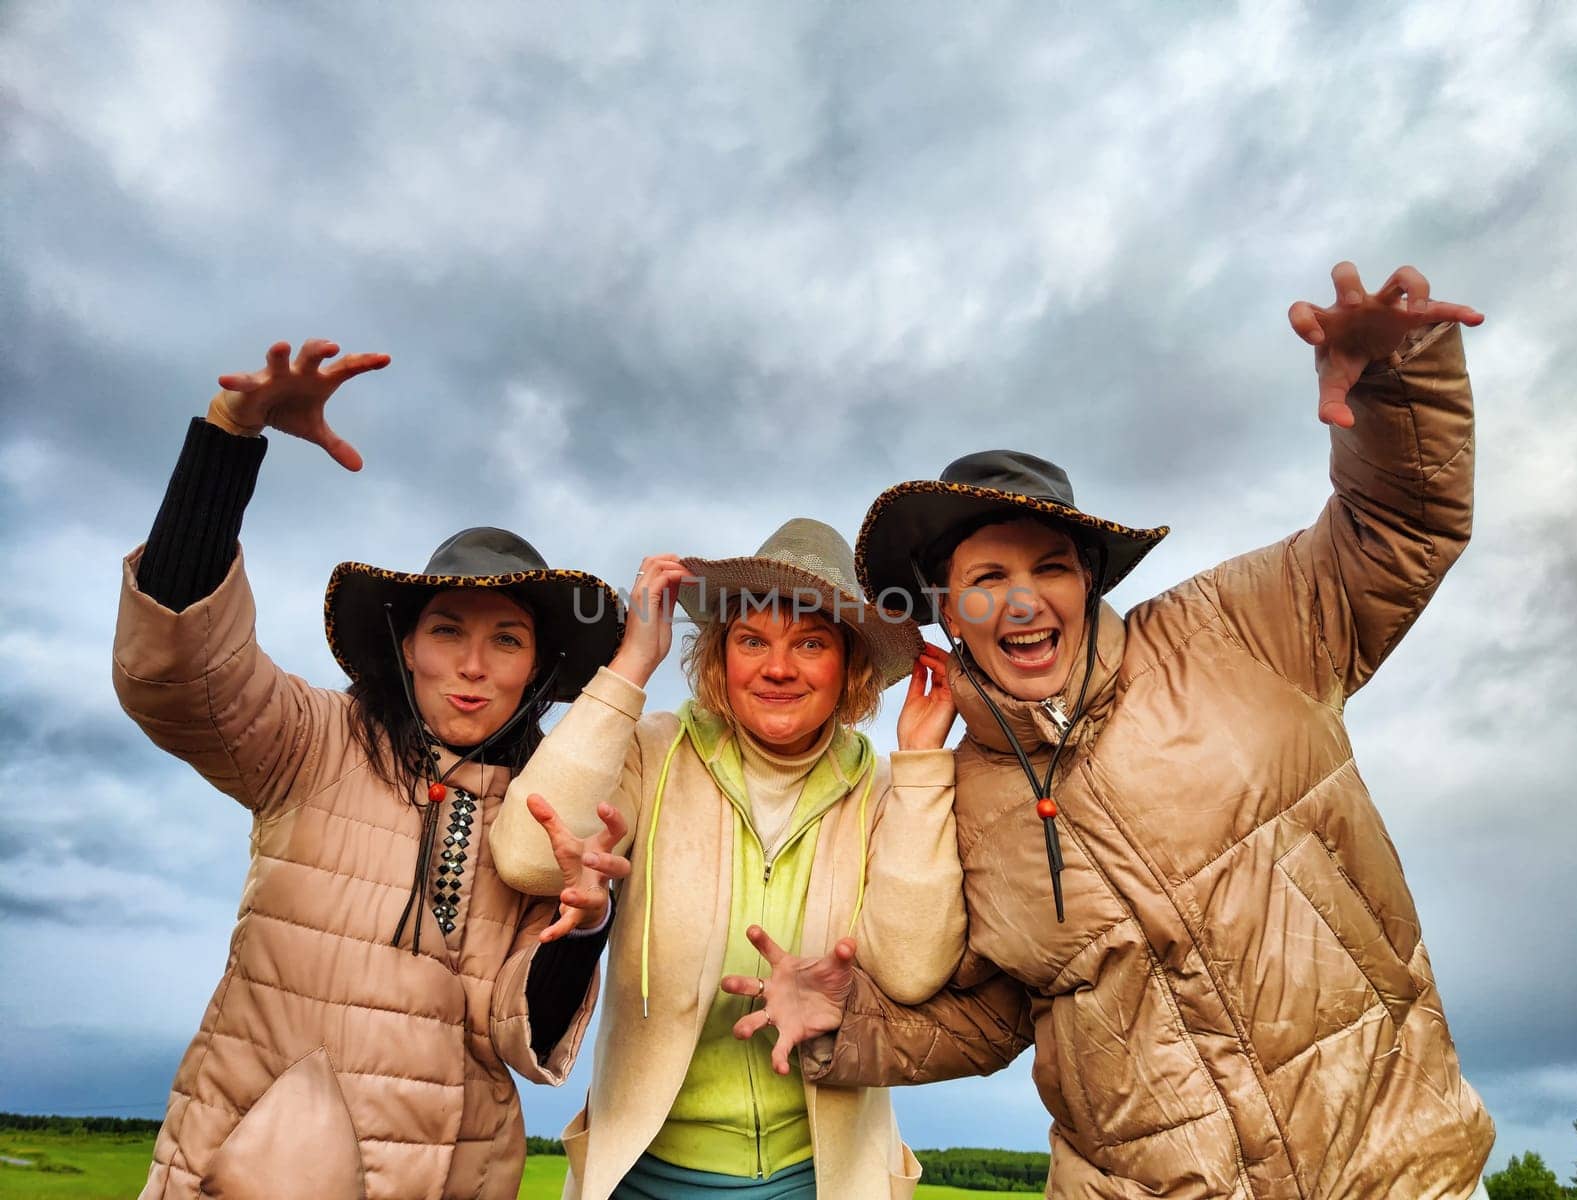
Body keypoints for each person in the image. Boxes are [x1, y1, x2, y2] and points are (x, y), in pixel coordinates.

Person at [726, 264, 1496, 1198]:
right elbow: (995, 1014)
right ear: (945, 609)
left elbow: (1399, 528)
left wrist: (1391, 383)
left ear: (1089, 580)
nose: (1022, 600)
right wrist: (846, 1025)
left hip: (1398, 1170)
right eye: (986, 577)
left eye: (1050, 566)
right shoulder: (957, 800)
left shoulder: (1242, 631)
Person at [113, 339, 631, 1200]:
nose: (473, 664)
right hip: (248, 1160)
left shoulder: (545, 814)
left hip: (452, 1169)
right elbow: (178, 671)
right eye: (447, 630)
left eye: (507, 639)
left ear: (537, 672)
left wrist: (582, 928)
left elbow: (520, 1039)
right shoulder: (312, 741)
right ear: (406, 648)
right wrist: (228, 443)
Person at [490, 518, 968, 1199]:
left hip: (823, 1178)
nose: (778, 668)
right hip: (642, 1172)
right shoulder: (651, 753)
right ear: (720, 657)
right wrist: (631, 666)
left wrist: (922, 763)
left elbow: (915, 971)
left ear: (852, 666)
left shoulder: (888, 794)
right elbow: (527, 858)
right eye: (752, 640)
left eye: (811, 643)